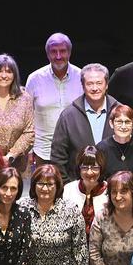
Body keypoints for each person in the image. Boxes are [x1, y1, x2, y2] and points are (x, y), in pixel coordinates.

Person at [49, 63, 119, 181]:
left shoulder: (119, 112)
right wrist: (68, 188)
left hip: (113, 189)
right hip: (77, 188)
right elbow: (58, 157)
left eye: (99, 83)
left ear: (106, 85)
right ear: (82, 86)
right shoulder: (68, 115)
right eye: (90, 83)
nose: (95, 88)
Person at [26, 32, 83, 169]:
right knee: (44, 190)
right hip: (43, 151)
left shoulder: (82, 77)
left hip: (75, 150)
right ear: (47, 54)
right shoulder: (34, 79)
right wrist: (28, 150)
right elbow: (26, 117)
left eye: (62, 51)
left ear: (69, 52)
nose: (58, 56)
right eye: (53, 52)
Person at [95, 104, 133, 204]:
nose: (123, 126)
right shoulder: (101, 148)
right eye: (119, 122)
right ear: (111, 123)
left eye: (127, 122)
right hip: (109, 204)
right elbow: (98, 182)